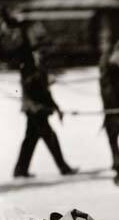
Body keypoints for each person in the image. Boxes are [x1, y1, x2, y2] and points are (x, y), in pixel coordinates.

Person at [9, 12, 78, 178]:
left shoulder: (35, 66)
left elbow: (40, 87)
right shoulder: (29, 64)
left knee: (31, 138)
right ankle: (63, 167)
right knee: (49, 136)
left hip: (34, 106)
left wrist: (54, 104)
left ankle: (20, 169)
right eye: (39, 51)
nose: (42, 54)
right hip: (35, 107)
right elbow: (35, 87)